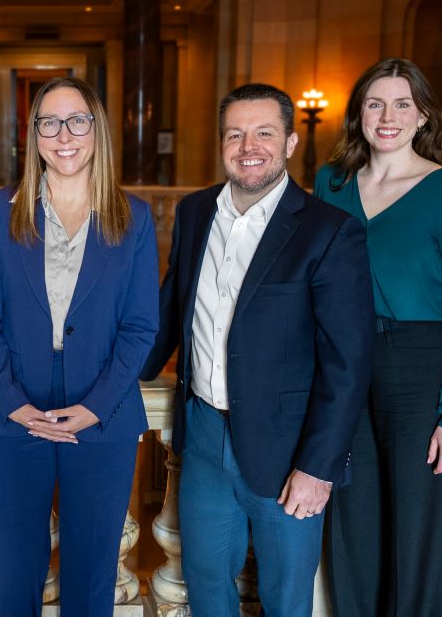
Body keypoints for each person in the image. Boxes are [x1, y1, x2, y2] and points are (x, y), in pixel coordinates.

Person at [141, 83, 375, 617]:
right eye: (236, 134)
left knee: (286, 599)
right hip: (202, 437)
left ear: (291, 141)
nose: (250, 146)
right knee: (205, 589)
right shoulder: (195, 212)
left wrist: (319, 466)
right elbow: (173, 308)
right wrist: (113, 375)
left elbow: (349, 363)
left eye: (264, 132)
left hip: (288, 450)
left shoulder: (330, 232)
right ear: (221, 144)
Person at [0, 76, 158, 616]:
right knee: (15, 568)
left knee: (93, 571)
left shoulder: (133, 216)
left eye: (78, 120)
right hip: (12, 412)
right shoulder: (1, 209)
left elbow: (141, 326)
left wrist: (94, 408)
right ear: (33, 134)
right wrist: (14, 405)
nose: (64, 134)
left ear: (97, 130)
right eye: (49, 122)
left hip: (104, 414)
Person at [318, 58, 442, 617]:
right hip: (346, 369)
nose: (388, 115)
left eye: (402, 104)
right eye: (375, 103)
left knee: (423, 536)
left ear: (423, 114)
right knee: (353, 527)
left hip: (421, 374)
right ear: (359, 114)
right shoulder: (332, 184)